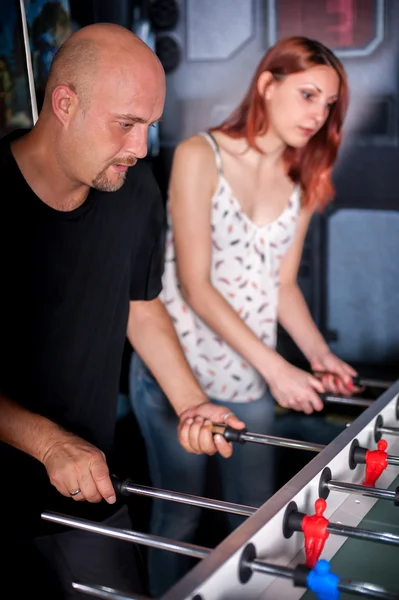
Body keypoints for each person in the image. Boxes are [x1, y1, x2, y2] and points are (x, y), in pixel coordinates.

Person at [0, 23, 245, 600]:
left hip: (89, 489)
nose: (140, 148)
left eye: (150, 127)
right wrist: (48, 443)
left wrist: (190, 401)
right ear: (65, 103)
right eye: (126, 124)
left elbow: (142, 305)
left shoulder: (132, 192)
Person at [130, 35, 359, 596]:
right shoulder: (197, 155)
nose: (319, 114)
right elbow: (195, 285)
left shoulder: (303, 175)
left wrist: (317, 355)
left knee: (252, 525)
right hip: (174, 376)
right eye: (308, 95)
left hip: (246, 380)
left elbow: (282, 287)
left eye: (328, 104)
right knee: (179, 523)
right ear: (266, 85)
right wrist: (279, 369)